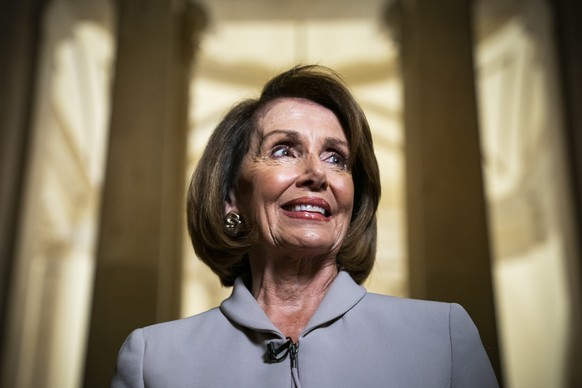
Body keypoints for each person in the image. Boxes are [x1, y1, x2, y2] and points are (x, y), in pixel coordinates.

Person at [111, 65, 499, 387]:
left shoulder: (442, 337)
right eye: (284, 150)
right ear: (232, 197)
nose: (316, 173)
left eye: (335, 158)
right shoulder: (153, 360)